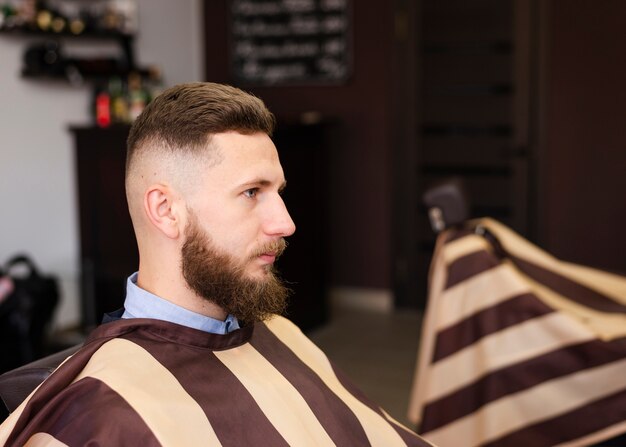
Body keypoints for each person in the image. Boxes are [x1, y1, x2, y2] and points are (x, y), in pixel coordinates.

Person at [0, 82, 432, 446]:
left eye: (278, 192)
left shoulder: (280, 334)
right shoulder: (100, 414)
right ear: (167, 210)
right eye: (251, 192)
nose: (285, 223)